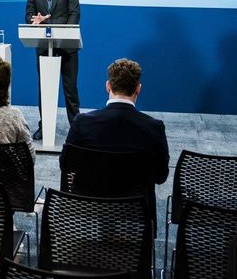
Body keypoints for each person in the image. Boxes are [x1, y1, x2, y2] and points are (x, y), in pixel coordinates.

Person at [60, 58, 170, 187]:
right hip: (134, 206)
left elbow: (65, 164)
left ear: (108, 86)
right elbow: (160, 176)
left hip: (88, 205)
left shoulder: (82, 122)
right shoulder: (154, 128)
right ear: (138, 89)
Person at [25, 0, 81, 139]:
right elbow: (29, 16)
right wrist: (36, 20)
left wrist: (56, 30)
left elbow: (74, 14)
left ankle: (76, 126)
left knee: (70, 89)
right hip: (44, 48)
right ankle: (45, 126)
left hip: (67, 47)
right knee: (45, 90)